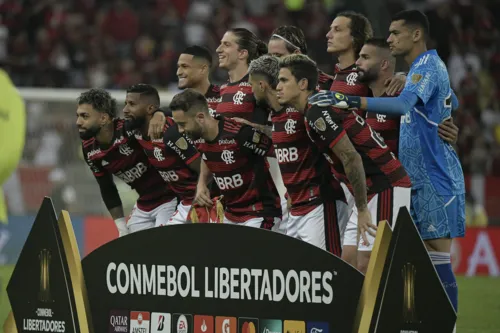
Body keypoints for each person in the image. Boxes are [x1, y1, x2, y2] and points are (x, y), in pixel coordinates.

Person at [310, 10, 464, 314]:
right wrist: (438, 108)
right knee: (411, 264)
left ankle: (450, 326)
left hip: (434, 179)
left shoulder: (426, 66)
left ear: (416, 34)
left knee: (437, 259)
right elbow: (450, 100)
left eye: (395, 33)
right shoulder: (412, 72)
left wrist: (351, 101)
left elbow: (409, 104)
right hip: (408, 182)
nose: (390, 38)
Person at [279, 54, 412, 273]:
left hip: (385, 184)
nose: (278, 86)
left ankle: (392, 307)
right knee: (348, 261)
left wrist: (360, 209)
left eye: (284, 80)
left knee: (369, 264)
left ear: (303, 84)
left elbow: (351, 157)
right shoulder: (313, 108)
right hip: (369, 190)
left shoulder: (317, 111)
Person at [248, 55, 343, 255]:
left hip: (320, 202)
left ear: (262, 85)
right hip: (296, 206)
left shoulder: (302, 110)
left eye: (251, 85)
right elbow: (288, 148)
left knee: (327, 270)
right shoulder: (275, 115)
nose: (250, 90)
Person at [170, 89, 282, 229]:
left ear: (200, 117)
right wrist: (202, 183)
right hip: (230, 214)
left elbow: (279, 151)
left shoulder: (239, 134)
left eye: (182, 124)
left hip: (259, 214)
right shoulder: (198, 137)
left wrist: (292, 193)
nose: (180, 131)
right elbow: (206, 154)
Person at [77, 88, 177, 236]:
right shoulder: (89, 150)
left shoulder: (127, 128)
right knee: (131, 252)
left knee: (161, 247)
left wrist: (159, 113)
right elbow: (107, 187)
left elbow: (177, 112)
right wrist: (121, 226)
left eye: (84, 116)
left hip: (171, 197)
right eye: (78, 115)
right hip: (144, 203)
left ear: (103, 119)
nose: (78, 122)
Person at [123, 84, 201, 225]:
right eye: (125, 104)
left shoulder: (171, 133)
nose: (125, 110)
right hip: (181, 201)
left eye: (132, 104)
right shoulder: (134, 131)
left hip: (199, 199)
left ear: (150, 109)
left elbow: (202, 168)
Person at [149, 46, 221, 137]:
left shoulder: (224, 96)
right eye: (178, 67)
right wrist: (158, 112)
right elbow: (169, 110)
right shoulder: (180, 99)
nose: (178, 72)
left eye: (184, 66)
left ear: (203, 69)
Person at [268, 25, 334, 90]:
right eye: (270, 56)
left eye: (278, 55)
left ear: (297, 54)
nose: (272, 61)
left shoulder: (328, 84)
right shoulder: (267, 85)